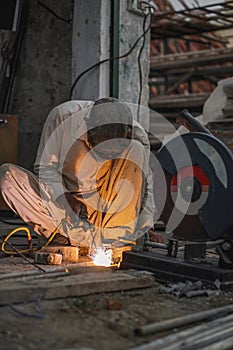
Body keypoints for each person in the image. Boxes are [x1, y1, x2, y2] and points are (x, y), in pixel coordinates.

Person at [0, 97, 158, 250]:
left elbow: (146, 186)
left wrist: (145, 228)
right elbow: (45, 168)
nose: (107, 155)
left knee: (136, 151)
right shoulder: (62, 118)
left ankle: (111, 238)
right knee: (7, 177)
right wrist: (63, 195)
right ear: (88, 125)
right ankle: (70, 237)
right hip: (65, 207)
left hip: (107, 210)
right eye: (101, 148)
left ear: (128, 133)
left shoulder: (136, 135)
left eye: (114, 151)